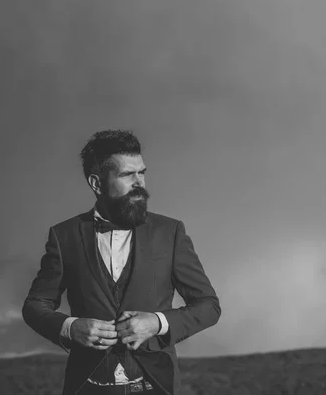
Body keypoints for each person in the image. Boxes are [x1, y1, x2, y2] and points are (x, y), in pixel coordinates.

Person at [22, 129, 221, 395]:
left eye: (142, 172)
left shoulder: (170, 232)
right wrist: (70, 328)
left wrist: (158, 322)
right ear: (96, 183)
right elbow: (35, 305)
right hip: (87, 387)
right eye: (127, 174)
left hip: (156, 386)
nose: (140, 183)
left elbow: (209, 306)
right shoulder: (64, 236)